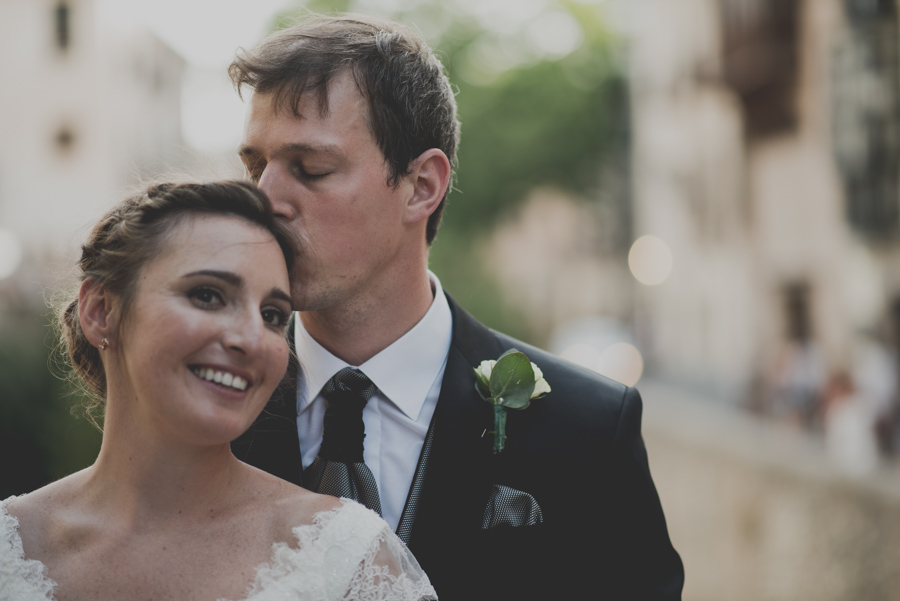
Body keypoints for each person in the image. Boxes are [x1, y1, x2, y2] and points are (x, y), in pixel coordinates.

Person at [230, 15, 684, 600]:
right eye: (253, 167)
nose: (264, 200)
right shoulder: (205, 414)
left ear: (422, 186)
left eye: (310, 169)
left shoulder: (589, 430)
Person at [0, 181, 436, 601]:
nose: (251, 339)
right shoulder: (11, 547)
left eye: (271, 314)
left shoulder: (346, 559)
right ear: (101, 311)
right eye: (208, 295)